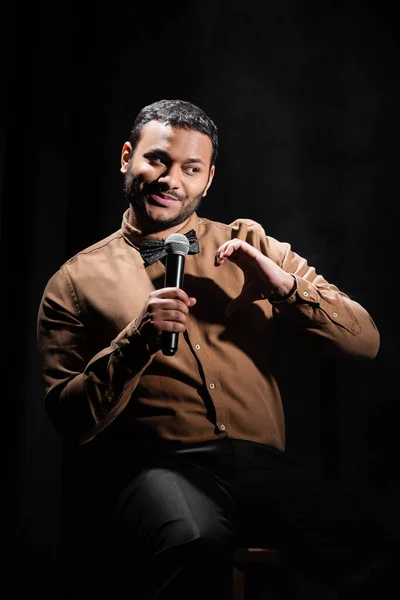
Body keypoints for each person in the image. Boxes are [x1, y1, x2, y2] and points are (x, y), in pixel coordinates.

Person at [37, 99, 394, 600]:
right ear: (126, 157)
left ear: (207, 181)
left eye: (190, 168)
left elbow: (366, 342)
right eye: (157, 159)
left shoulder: (254, 247)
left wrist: (284, 287)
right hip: (157, 468)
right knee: (196, 541)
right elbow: (70, 419)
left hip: (260, 465)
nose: (170, 179)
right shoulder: (73, 282)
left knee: (372, 548)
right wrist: (138, 339)